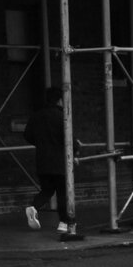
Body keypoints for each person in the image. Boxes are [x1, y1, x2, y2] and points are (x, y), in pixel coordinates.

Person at [25, 86, 82, 242]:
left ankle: (34, 207)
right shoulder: (62, 116)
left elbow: (27, 135)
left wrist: (41, 144)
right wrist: (76, 148)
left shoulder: (36, 116)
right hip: (60, 161)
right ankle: (64, 223)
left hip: (42, 160)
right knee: (63, 192)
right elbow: (69, 137)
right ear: (59, 100)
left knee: (47, 190)